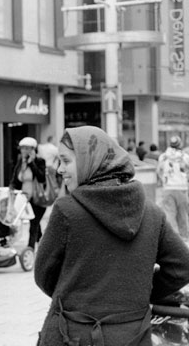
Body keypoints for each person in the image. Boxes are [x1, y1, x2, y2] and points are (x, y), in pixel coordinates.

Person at [35, 126, 189, 346]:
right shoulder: (152, 213)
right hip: (133, 335)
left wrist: (78, 296)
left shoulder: (67, 211)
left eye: (66, 161)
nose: (59, 169)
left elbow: (43, 275)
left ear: (90, 160)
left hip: (73, 334)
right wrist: (138, 290)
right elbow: (181, 267)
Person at [9, 137, 46, 250]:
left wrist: (32, 164)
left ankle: (30, 250)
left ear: (33, 149)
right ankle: (42, 242)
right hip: (24, 198)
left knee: (33, 224)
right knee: (34, 221)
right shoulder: (21, 162)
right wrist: (11, 188)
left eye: (27, 149)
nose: (24, 151)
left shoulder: (40, 161)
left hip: (37, 198)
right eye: (22, 148)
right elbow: (16, 179)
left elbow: (41, 178)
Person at [156, 135, 189, 240]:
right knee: (183, 215)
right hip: (182, 188)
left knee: (170, 214)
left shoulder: (163, 156)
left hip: (168, 188)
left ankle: (173, 240)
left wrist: (163, 181)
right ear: (180, 144)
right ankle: (185, 239)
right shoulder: (185, 156)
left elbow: (158, 171)